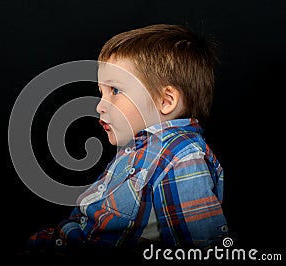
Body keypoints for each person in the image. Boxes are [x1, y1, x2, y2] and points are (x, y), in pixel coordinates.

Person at [23, 24, 228, 260]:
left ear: (166, 100)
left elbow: (202, 250)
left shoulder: (181, 158)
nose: (100, 105)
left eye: (115, 91)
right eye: (101, 92)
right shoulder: (140, 148)